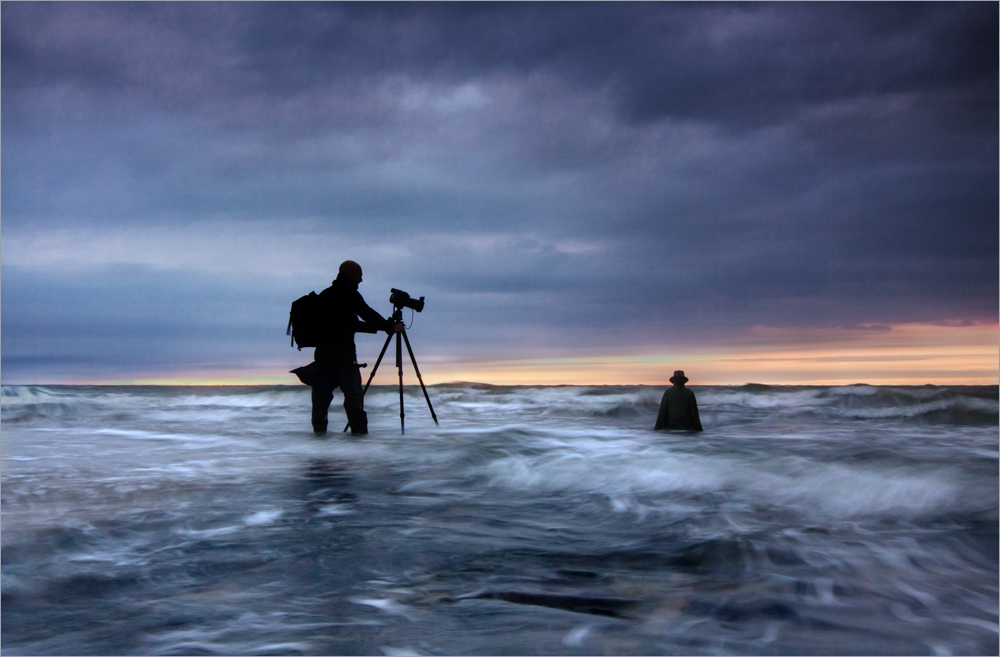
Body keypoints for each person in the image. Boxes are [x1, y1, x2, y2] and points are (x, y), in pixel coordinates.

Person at [298, 260, 399, 435]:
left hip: (322, 354)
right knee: (353, 397)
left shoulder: (326, 295)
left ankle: (319, 439)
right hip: (343, 354)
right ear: (350, 275)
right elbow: (366, 313)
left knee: (321, 398)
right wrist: (389, 327)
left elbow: (351, 324)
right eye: (359, 276)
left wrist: (383, 327)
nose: (361, 280)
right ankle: (359, 439)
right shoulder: (349, 293)